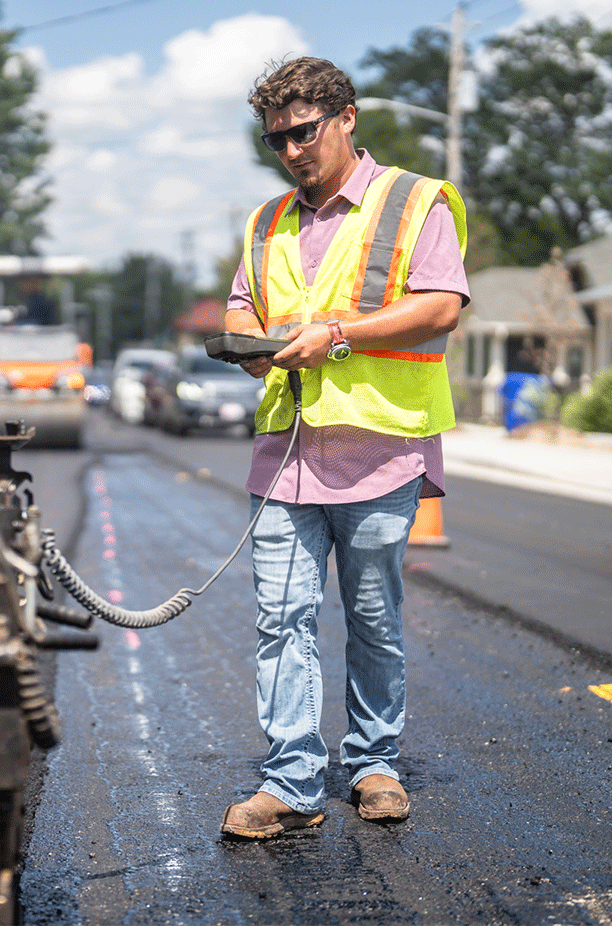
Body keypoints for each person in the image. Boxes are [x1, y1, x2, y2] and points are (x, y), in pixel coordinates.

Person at [221, 56, 469, 840]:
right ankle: (291, 782)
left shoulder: (413, 201)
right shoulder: (266, 223)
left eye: (305, 131)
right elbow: (237, 313)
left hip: (379, 450)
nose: (292, 150)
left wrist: (334, 335)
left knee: (373, 619)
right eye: (277, 140)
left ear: (347, 117)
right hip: (287, 457)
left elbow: (441, 306)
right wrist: (250, 346)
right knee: (282, 619)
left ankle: (374, 765)